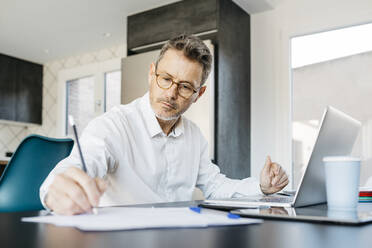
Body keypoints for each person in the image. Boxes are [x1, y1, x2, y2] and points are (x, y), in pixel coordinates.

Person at [40, 34, 289, 215]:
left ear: (198, 94)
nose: (171, 93)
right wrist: (57, 191)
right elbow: (75, 167)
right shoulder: (113, 125)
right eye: (166, 79)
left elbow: (215, 186)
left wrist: (261, 187)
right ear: (152, 74)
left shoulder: (195, 137)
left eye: (184, 87)